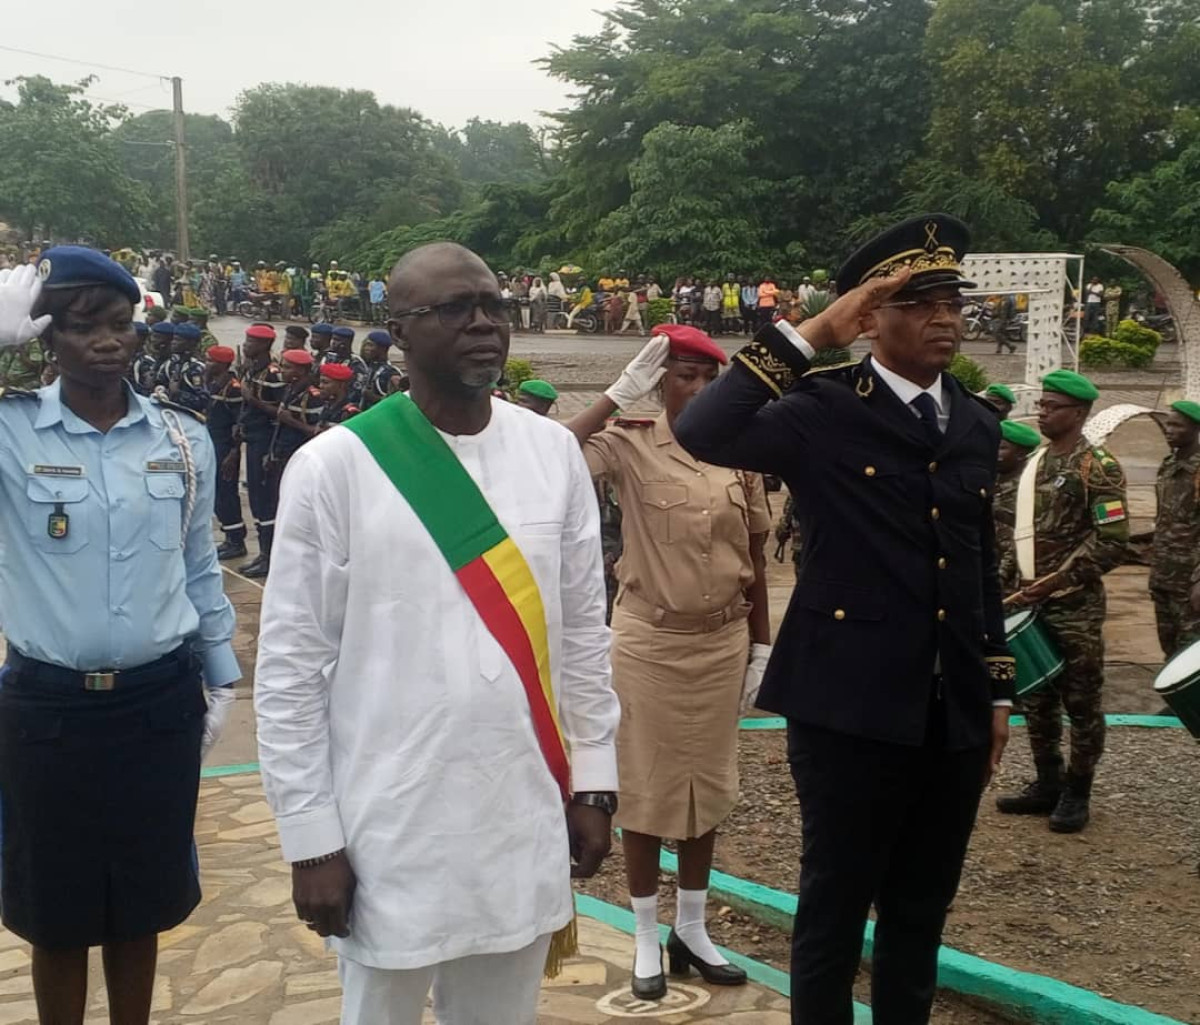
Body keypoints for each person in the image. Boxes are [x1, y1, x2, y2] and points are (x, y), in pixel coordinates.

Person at [254, 241, 620, 1025]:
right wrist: (311, 837)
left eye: (494, 306)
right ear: (398, 329)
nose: (484, 323)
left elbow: (586, 633)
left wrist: (594, 780)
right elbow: (291, 670)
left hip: (520, 807)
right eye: (454, 309)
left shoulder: (552, 452)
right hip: (391, 821)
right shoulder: (335, 467)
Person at [672, 214, 1016, 1025]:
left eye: (952, 300)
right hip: (848, 708)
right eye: (918, 301)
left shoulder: (974, 421)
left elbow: (976, 565)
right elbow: (702, 429)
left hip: (953, 709)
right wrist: (814, 331)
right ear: (871, 316)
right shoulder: (822, 409)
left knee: (920, 912)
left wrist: (997, 687)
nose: (946, 317)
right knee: (833, 908)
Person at [0, 252, 239, 1025]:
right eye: (82, 325)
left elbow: (199, 566)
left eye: (120, 323)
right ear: (46, 339)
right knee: (57, 912)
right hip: (48, 709)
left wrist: (222, 675)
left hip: (157, 702)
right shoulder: (11, 432)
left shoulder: (180, 437)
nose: (108, 340)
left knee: (142, 903)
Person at [567, 323, 770, 1000]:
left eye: (709, 377)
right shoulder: (627, 440)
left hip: (722, 642)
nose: (700, 388)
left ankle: (693, 926)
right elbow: (554, 457)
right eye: (684, 375)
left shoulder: (738, 446)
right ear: (657, 382)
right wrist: (613, 393)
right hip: (649, 642)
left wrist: (763, 646)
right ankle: (648, 934)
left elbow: (758, 554)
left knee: (706, 789)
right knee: (647, 792)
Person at [996, 370, 1128, 833]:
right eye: (1044, 403)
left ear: (1079, 413)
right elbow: (1018, 537)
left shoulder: (1099, 467)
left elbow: (1113, 540)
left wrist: (1055, 582)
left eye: (1053, 406)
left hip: (1074, 605)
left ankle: (1078, 791)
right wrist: (1006, 590)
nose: (1044, 411)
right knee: (1036, 697)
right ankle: (1046, 781)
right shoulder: (1035, 462)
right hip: (1027, 600)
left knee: (1081, 700)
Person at [231, 323, 284, 579]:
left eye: (251, 341)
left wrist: (254, 401)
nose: (246, 344)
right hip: (251, 438)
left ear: (264, 345)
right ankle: (263, 553)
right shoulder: (252, 370)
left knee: (266, 501)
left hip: (265, 441)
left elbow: (281, 415)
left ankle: (270, 555)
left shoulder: (273, 374)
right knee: (255, 501)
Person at [1150, 402, 1200, 658]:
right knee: (1169, 649)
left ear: (1195, 428)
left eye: (1177, 425)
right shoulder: (1168, 465)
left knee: (1191, 652)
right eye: (1168, 424)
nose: (1169, 430)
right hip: (1162, 574)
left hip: (1189, 581)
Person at [204, 346, 247, 560]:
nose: (206, 364)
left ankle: (237, 540)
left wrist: (234, 452)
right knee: (217, 493)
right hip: (213, 442)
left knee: (226, 492)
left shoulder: (233, 388)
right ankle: (229, 536)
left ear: (222, 364)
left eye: (210, 361)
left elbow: (239, 423)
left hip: (226, 446)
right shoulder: (214, 383)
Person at [993, 419, 1042, 596]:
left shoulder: (1028, 489)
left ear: (1021, 454)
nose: (993, 453)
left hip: (1012, 580)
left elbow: (1019, 541)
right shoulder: (991, 479)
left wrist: (1000, 576)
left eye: (1001, 448)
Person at [269, 349, 324, 469]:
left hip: (300, 456)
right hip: (282, 451)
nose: (282, 371)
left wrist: (291, 421)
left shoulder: (314, 397)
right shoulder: (289, 389)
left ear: (301, 371)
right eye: (282, 366)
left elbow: (319, 432)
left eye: (287, 368)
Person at [156, 322, 209, 414]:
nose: (173, 342)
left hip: (190, 417)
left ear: (190, 343)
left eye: (178, 340)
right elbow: (159, 382)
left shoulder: (197, 369)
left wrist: (178, 393)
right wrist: (160, 390)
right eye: (173, 339)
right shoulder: (170, 363)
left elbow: (204, 401)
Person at [325, 325, 368, 404]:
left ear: (347, 342)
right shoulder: (331, 358)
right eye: (332, 339)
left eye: (337, 340)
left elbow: (356, 391)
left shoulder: (356, 363)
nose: (333, 342)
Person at [360, 329, 402, 408]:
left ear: (382, 349)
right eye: (366, 345)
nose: (366, 348)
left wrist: (374, 398)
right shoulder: (370, 366)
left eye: (370, 345)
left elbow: (398, 402)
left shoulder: (390, 372)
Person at [314, 362, 361, 428]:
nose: (320, 386)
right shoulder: (329, 403)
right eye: (320, 382)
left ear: (341, 385)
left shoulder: (350, 412)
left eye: (325, 382)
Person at [132, 321, 173, 395]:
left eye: (157, 337)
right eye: (153, 336)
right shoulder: (143, 361)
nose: (153, 340)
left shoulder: (173, 363)